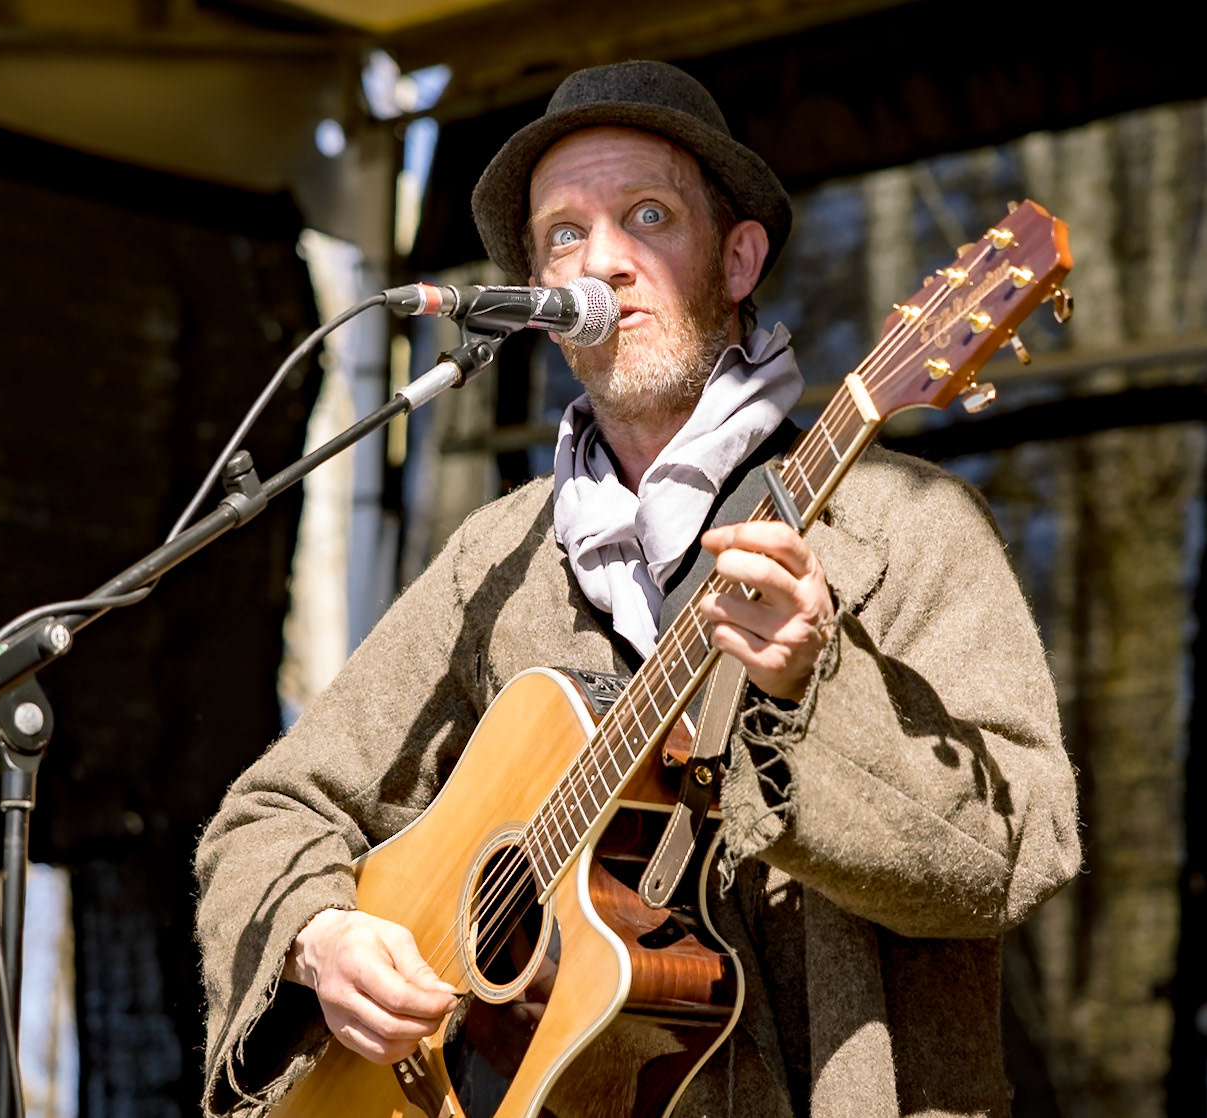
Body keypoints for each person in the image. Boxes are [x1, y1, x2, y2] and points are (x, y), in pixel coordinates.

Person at [194, 60, 1081, 1118]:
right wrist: (321, 933)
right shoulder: (499, 557)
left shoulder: (903, 524)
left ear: (738, 257)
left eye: (646, 216)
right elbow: (269, 812)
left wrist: (815, 689)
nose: (601, 261)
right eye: (563, 235)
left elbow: (1019, 848)